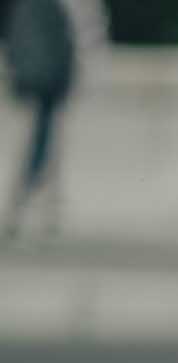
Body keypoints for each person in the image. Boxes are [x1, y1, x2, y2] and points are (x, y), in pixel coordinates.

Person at [4, 0, 105, 239]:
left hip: (38, 75)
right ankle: (32, 205)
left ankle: (42, 206)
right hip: (51, 77)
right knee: (43, 143)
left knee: (44, 142)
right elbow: (87, 36)